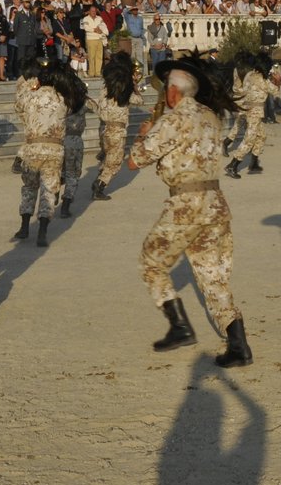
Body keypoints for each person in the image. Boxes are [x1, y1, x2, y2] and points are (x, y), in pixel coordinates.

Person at [128, 55, 252, 368]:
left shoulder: (172, 119)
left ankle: (179, 326)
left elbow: (135, 160)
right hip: (215, 202)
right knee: (213, 278)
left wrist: (145, 132)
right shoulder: (211, 116)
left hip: (186, 205)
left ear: (173, 91)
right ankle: (238, 343)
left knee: (151, 261)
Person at [13, 60, 71, 247]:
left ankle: (24, 227)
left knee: (29, 187)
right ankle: (43, 231)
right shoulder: (62, 98)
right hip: (54, 149)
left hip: (32, 148)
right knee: (49, 190)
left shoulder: (29, 96)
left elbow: (18, 105)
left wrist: (31, 85)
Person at [91, 52, 141, 200]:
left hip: (105, 128)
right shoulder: (125, 93)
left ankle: (100, 177)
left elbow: (99, 107)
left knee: (108, 158)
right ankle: (100, 185)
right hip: (118, 130)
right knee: (116, 162)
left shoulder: (105, 89)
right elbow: (139, 101)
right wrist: (134, 86)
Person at [226, 52, 270, 178]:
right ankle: (233, 165)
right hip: (255, 112)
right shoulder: (262, 79)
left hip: (248, 108)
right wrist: (277, 80)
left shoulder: (249, 75)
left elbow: (244, 89)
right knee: (249, 140)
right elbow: (274, 89)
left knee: (262, 136)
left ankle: (254, 162)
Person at [57, 68, 90, 217]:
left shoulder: (59, 101)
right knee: (73, 174)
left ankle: (55, 191)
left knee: (59, 171)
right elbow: (100, 109)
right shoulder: (83, 102)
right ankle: (66, 204)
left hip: (59, 140)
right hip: (75, 140)